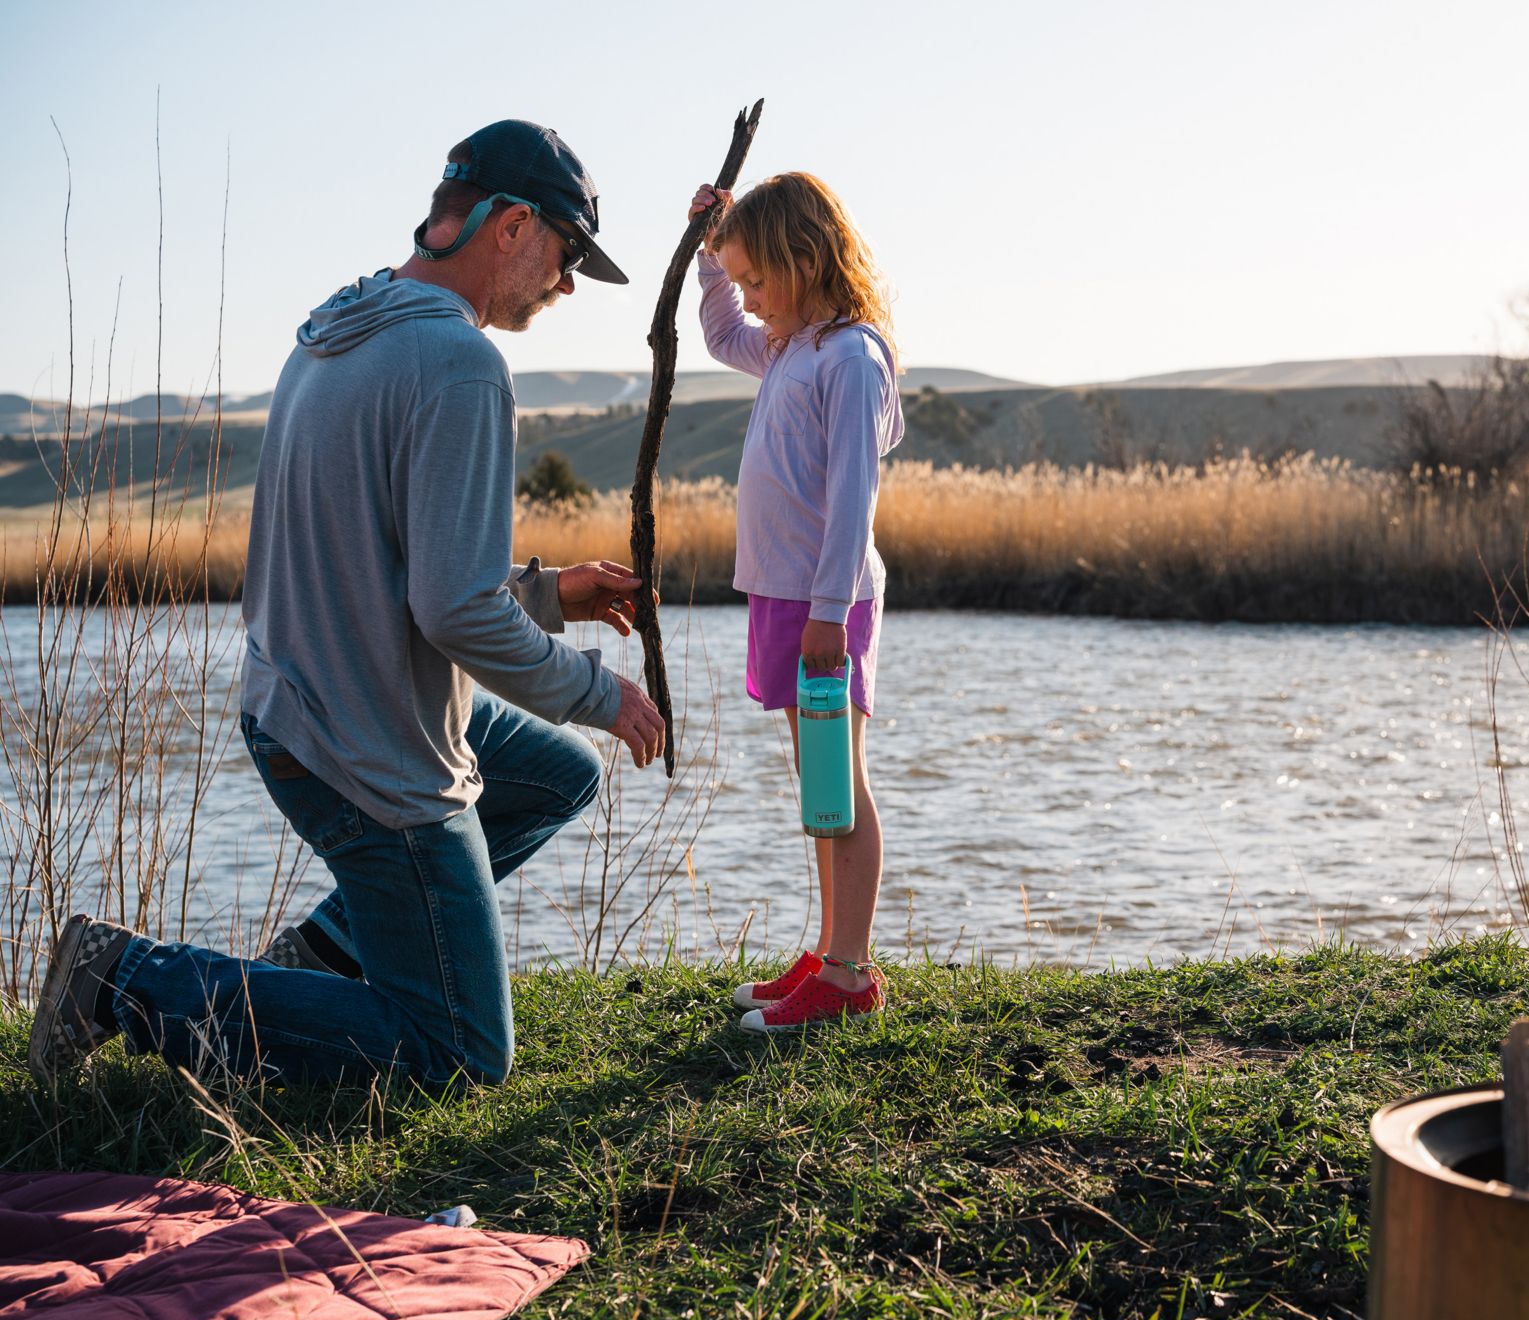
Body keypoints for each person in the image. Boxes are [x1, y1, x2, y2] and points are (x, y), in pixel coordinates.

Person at [29, 120, 668, 1088]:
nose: (565, 281)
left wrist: (545, 595)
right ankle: (120, 979)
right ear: (510, 226)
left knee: (553, 776)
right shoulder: (462, 365)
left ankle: (330, 954)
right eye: (565, 251)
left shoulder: (342, 327)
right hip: (367, 745)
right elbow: (453, 612)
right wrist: (598, 690)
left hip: (293, 703)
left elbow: (383, 561)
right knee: (457, 1053)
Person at [689, 173, 904, 1032]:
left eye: (755, 279)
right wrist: (710, 253)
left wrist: (828, 610)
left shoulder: (851, 357)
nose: (745, 298)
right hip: (785, 596)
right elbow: (715, 334)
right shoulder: (786, 345)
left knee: (838, 782)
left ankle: (850, 974)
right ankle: (830, 951)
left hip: (826, 603)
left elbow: (854, 497)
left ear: (805, 259)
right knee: (817, 782)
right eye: (739, 280)